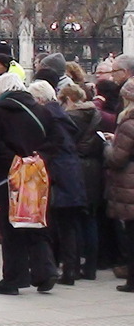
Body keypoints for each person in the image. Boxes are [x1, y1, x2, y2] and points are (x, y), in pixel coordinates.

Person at [0, 72, 58, 295]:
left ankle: (14, 278)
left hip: (6, 177)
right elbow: (57, 140)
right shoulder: (42, 111)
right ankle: (45, 271)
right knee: (36, 221)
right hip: (36, 175)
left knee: (10, 225)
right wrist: (37, 158)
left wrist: (16, 162)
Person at [28, 80, 86, 286]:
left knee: (58, 224)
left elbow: (53, 145)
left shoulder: (48, 116)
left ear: (40, 99)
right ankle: (71, 269)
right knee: (69, 225)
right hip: (71, 172)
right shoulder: (62, 114)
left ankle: (64, 270)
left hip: (58, 174)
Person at [60, 82, 105, 280]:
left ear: (68, 100)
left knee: (74, 220)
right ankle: (91, 267)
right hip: (94, 169)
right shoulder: (95, 115)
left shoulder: (70, 118)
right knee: (90, 218)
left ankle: (74, 265)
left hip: (75, 168)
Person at [103, 77, 134, 292]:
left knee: (131, 232)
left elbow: (117, 158)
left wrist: (108, 146)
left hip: (129, 183)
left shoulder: (128, 123)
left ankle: (132, 279)